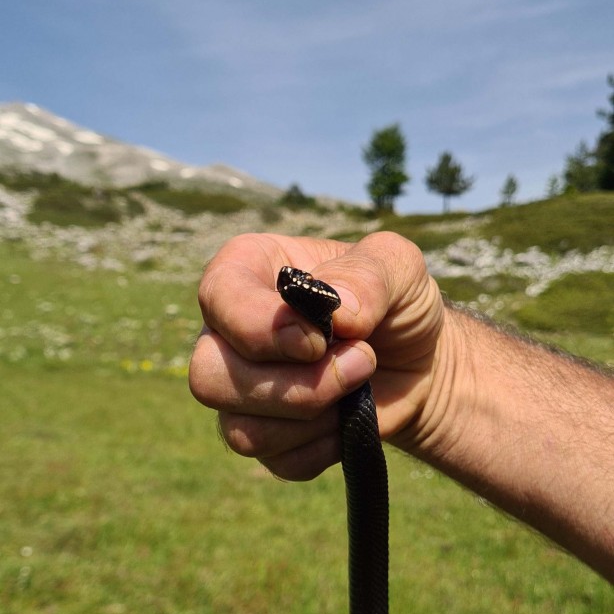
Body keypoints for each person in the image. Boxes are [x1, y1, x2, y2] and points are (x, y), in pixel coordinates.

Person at [189, 231, 614, 583]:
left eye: (302, 280)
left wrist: (437, 378)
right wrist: (438, 376)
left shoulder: (338, 315)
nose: (291, 279)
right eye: (290, 282)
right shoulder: (323, 323)